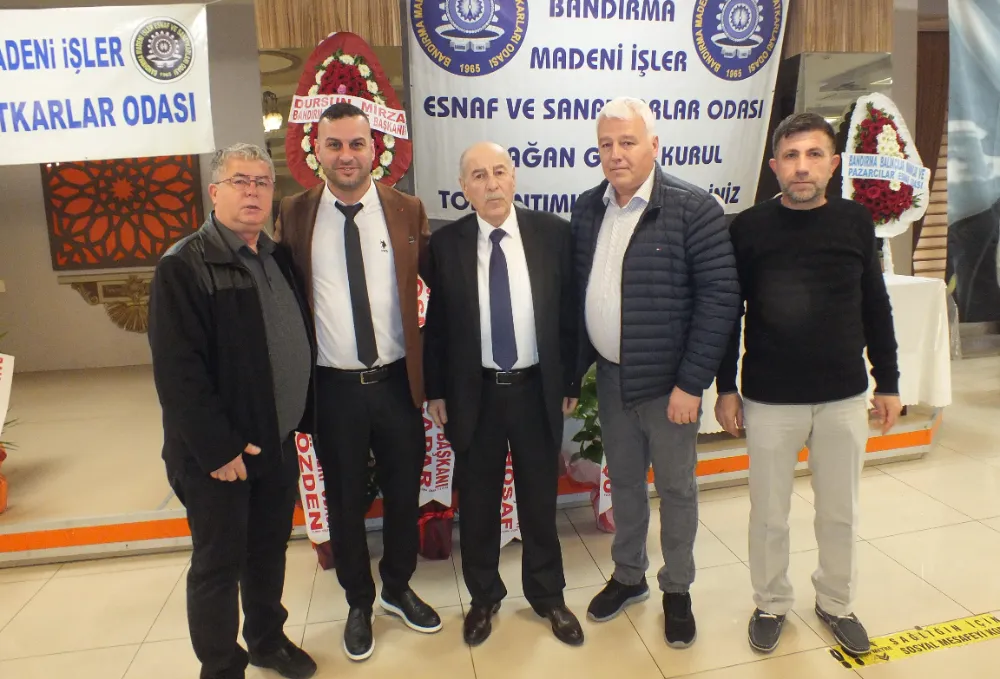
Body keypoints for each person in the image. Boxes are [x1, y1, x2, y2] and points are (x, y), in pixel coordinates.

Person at [714, 112, 901, 657]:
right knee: (769, 513)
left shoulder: (855, 222)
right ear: (774, 166)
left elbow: (875, 307)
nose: (802, 167)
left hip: (843, 395)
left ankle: (836, 603)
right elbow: (727, 313)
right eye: (791, 156)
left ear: (833, 164)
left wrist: (888, 382)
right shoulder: (747, 228)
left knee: (840, 511)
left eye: (814, 154)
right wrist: (725, 387)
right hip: (770, 397)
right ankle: (771, 602)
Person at [571, 97, 740, 647]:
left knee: (675, 488)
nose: (616, 154)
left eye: (627, 142)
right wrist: (574, 375)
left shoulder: (694, 208)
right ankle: (629, 576)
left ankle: (677, 588)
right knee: (623, 482)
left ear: (653, 145)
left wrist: (692, 384)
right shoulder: (589, 208)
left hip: (671, 388)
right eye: (606, 144)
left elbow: (720, 300)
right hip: (612, 378)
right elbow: (579, 294)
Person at [274, 103, 439, 662]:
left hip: (396, 383)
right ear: (316, 150)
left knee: (403, 492)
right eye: (335, 144)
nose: (346, 155)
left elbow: (434, 291)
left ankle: (397, 587)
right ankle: (358, 602)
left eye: (356, 144)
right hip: (332, 388)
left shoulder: (407, 210)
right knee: (344, 501)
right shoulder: (294, 215)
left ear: (374, 149)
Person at [148, 143, 317, 679]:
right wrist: (218, 448)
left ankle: (267, 641)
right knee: (218, 564)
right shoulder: (184, 266)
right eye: (240, 181)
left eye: (263, 182)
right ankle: (221, 667)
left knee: (267, 551)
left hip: (274, 441)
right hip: (219, 457)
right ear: (214, 192)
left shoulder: (276, 257)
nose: (253, 192)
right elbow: (178, 372)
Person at [423, 142, 584, 647]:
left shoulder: (553, 234)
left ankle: (547, 595)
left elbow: (570, 313)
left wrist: (571, 380)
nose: (491, 184)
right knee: (477, 503)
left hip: (536, 390)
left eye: (499, 172)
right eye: (478, 175)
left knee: (539, 499)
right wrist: (436, 390)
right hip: (475, 395)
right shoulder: (444, 245)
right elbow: (436, 327)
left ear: (514, 177)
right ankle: (484, 597)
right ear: (463, 187)